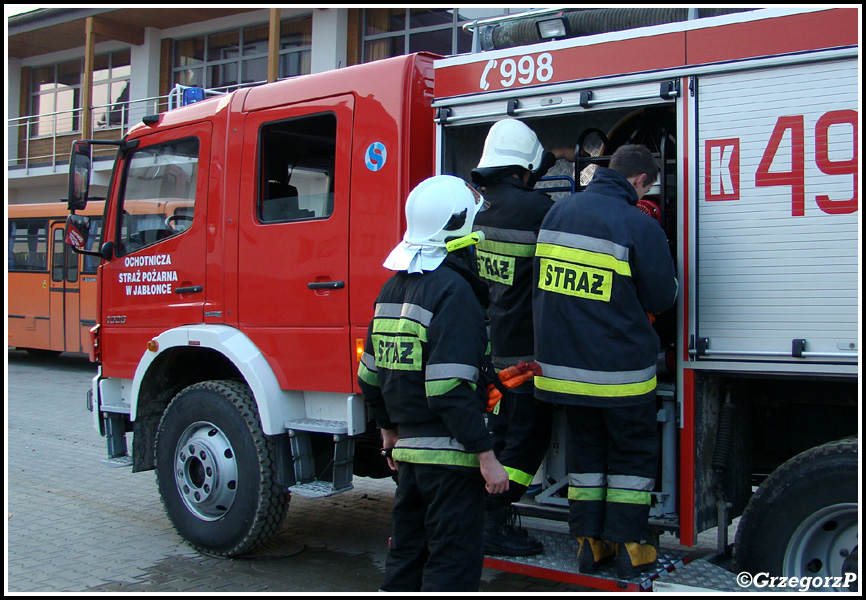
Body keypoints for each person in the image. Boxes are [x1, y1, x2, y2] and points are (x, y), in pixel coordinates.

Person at [357, 175, 509, 592]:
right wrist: (486, 455)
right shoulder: (454, 292)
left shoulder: (392, 288)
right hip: (451, 462)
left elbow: (369, 376)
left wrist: (388, 432)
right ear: (458, 227)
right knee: (451, 567)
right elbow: (449, 389)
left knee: (406, 558)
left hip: (409, 458)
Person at [531, 144, 677, 579]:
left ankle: (589, 545)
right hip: (620, 373)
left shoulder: (557, 214)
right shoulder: (637, 223)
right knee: (631, 458)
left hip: (563, 370)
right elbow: (661, 297)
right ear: (639, 182)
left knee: (587, 457)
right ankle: (632, 547)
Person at [470, 118, 574, 557]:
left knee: (502, 434)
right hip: (529, 353)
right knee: (527, 439)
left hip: (492, 350)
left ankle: (484, 515)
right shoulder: (539, 210)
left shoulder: (477, 212)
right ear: (524, 167)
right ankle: (492, 521)